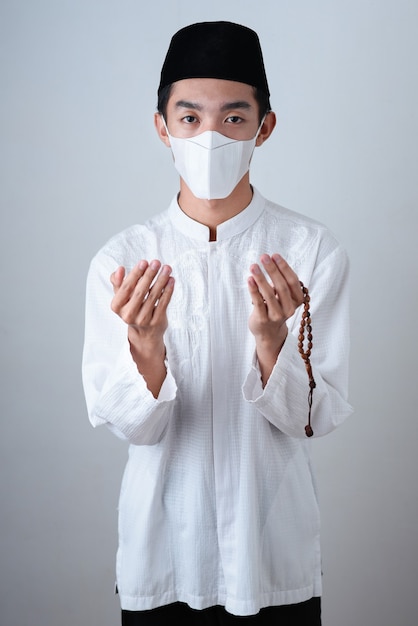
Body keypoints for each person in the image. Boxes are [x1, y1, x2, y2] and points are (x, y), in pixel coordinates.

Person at [82, 21, 353, 625]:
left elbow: (316, 418)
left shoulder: (308, 251)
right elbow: (127, 424)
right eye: (189, 118)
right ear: (163, 127)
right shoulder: (122, 261)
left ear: (265, 126)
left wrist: (270, 342)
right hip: (162, 548)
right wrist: (146, 348)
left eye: (233, 119)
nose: (209, 136)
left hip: (270, 548)